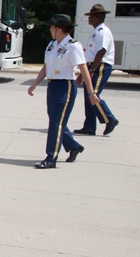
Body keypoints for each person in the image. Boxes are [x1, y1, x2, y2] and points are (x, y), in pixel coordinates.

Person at [27, 14, 100, 169]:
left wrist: (91, 92)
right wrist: (34, 83)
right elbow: (46, 67)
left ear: (59, 28)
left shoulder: (73, 46)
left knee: (55, 123)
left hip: (65, 87)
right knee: (56, 121)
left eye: (52, 27)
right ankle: (73, 147)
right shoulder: (51, 45)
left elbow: (83, 69)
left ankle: (51, 157)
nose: (50, 29)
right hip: (52, 86)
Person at [75, 3, 120, 136]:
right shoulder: (96, 32)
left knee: (92, 95)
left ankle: (110, 119)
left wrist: (93, 69)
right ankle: (89, 127)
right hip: (93, 65)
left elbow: (101, 52)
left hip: (100, 66)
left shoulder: (103, 32)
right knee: (88, 97)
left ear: (97, 17)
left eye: (91, 16)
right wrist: (85, 72)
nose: (89, 18)